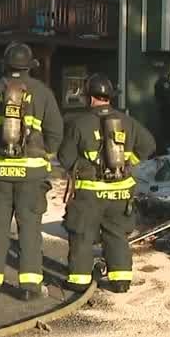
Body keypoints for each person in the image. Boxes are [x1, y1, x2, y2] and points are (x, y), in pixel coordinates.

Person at [0, 43, 63, 300]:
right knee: (29, 229)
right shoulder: (42, 93)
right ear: (29, 66)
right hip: (32, 176)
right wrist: (44, 154)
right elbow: (56, 132)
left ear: (6, 65)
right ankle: (29, 287)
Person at [58, 74, 156, 294]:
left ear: (90, 98)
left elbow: (65, 157)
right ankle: (121, 281)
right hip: (121, 192)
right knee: (117, 235)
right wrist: (130, 162)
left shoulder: (79, 123)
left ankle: (78, 280)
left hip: (90, 194)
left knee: (81, 234)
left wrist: (80, 167)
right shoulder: (128, 122)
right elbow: (149, 144)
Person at [153, 65, 170, 154]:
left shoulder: (158, 83)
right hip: (167, 110)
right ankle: (168, 148)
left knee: (163, 130)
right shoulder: (165, 83)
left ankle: (164, 148)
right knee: (169, 131)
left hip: (162, 110)